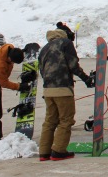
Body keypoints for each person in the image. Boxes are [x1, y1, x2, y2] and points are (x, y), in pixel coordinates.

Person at [38, 24, 94, 161]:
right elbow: (73, 64)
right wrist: (87, 79)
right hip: (62, 89)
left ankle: (44, 152)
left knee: (50, 121)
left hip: (48, 90)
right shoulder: (66, 43)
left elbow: (41, 70)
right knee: (66, 119)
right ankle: (58, 151)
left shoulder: (45, 48)